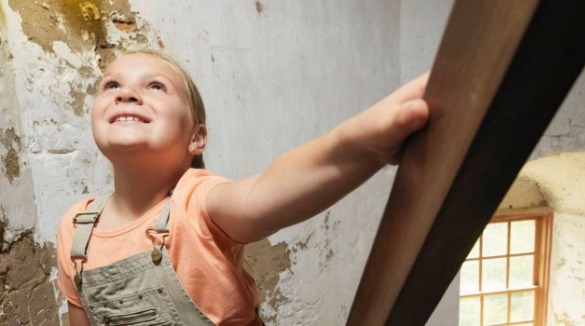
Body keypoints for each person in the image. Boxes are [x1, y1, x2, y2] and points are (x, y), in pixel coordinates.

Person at [56, 49, 429, 326]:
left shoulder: (197, 202)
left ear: (196, 138)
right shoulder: (76, 228)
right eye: (112, 84)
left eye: (155, 86)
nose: (127, 93)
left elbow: (266, 193)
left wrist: (362, 144)